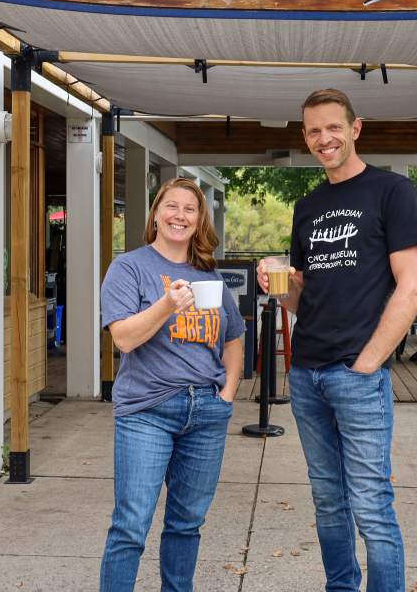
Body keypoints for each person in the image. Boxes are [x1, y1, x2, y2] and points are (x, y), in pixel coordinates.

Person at [257, 89, 417, 592]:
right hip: (307, 373)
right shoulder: (308, 206)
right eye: (313, 131)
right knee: (327, 499)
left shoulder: (391, 191)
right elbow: (301, 299)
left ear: (355, 129)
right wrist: (276, 281)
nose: (323, 139)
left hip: (357, 374)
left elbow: (412, 288)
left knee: (372, 503)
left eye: (333, 127)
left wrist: (369, 362)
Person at [99, 177, 245, 592]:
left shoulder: (209, 274)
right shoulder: (129, 268)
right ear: (156, 214)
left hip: (206, 413)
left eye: (190, 209)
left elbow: (233, 336)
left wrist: (228, 392)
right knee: (131, 525)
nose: (180, 215)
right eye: (172, 206)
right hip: (148, 411)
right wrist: (167, 304)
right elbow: (124, 337)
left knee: (187, 524)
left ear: (199, 220)